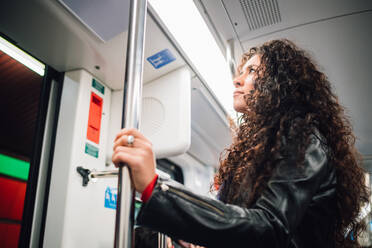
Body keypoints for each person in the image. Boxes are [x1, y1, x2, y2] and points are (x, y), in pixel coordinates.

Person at [112, 39, 369, 248]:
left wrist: (155, 189)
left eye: (252, 71)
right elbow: (238, 223)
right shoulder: (257, 151)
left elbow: (269, 228)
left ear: (281, 85)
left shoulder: (303, 139)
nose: (237, 80)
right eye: (240, 72)